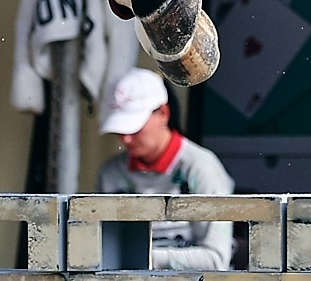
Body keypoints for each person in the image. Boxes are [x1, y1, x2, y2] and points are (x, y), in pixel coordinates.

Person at [94, 68, 236, 269]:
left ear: (163, 114)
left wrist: (139, 258)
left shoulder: (201, 168)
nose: (126, 139)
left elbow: (216, 259)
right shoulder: (110, 174)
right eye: (120, 129)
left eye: (134, 127)